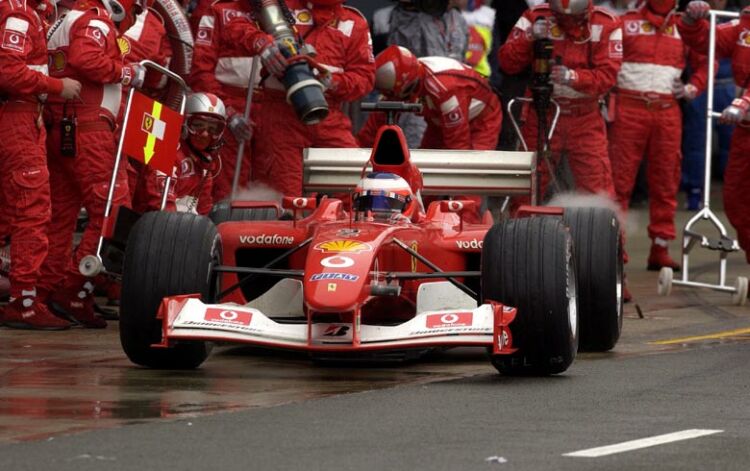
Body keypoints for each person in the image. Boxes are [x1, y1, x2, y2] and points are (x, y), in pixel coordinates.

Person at [40, 0, 144, 328]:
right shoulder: (95, 19)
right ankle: (74, 290)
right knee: (114, 212)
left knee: (61, 217)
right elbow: (85, 59)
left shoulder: (62, 20)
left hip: (61, 125)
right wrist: (127, 72)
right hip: (88, 128)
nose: (137, 10)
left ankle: (48, 289)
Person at [225, 0, 374, 197]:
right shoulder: (278, 6)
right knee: (284, 200)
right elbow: (234, 25)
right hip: (280, 117)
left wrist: (331, 82)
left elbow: (365, 77)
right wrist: (263, 44)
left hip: (328, 114)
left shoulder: (354, 22)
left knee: (354, 189)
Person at [609, 0, 709, 271]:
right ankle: (614, 255)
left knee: (666, 180)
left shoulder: (684, 26)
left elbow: (706, 60)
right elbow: (606, 59)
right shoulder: (624, 21)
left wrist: (693, 88)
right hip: (629, 107)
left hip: (668, 110)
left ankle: (660, 249)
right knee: (619, 184)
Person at [0, 0, 81, 329]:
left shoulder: (30, 11)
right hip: (16, 116)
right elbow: (7, 71)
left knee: (9, 212)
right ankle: (24, 303)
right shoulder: (17, 11)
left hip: (23, 115)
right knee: (32, 209)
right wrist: (58, 86)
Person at [498, 0, 623, 199]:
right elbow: (507, 63)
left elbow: (608, 76)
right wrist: (529, 37)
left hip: (585, 118)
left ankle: (601, 229)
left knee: (598, 187)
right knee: (528, 185)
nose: (567, 23)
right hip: (541, 113)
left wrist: (573, 77)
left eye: (573, 17)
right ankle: (522, 229)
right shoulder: (535, 17)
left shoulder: (607, 23)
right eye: (562, 17)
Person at [680, 1, 750, 263]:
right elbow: (707, 42)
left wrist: (744, 102)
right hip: (745, 129)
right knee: (736, 201)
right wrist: (691, 21)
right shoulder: (743, 24)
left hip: (742, 110)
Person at [358, 45, 502, 151]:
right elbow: (374, 128)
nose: (396, 98)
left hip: (482, 119)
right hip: (439, 121)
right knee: (426, 172)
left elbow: (458, 144)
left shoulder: (444, 88)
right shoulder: (402, 81)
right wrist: (358, 153)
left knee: (469, 176)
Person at [189, 0, 254, 202]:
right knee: (226, 185)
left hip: (277, 112)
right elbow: (200, 71)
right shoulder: (218, 10)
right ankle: (225, 229)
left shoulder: (289, 14)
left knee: (279, 184)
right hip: (228, 103)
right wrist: (228, 112)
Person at [130, 92, 225, 215]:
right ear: (184, 123)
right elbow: (162, 204)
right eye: (198, 125)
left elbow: (204, 209)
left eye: (213, 129)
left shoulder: (205, 163)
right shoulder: (165, 149)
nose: (205, 134)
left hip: (179, 224)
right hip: (150, 222)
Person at [681, 0, 736, 211]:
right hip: (701, 86)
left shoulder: (736, 17)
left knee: (732, 144)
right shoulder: (697, 15)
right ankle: (694, 191)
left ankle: (732, 192)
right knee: (696, 143)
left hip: (729, 86)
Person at [352, 172, 419, 222]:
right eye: (366, 202)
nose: (376, 212)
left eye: (387, 203)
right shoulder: (349, 219)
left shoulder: (420, 224)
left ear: (408, 202)